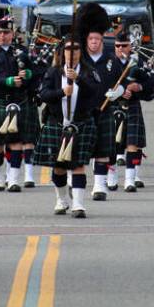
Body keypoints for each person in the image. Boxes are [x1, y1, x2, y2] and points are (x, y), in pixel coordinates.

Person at [35, 35, 102, 216]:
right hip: (57, 123)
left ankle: (78, 205)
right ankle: (61, 199)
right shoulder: (53, 72)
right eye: (68, 50)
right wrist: (61, 92)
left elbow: (96, 92)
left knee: (78, 165)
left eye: (75, 50)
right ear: (63, 52)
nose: (71, 54)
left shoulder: (88, 71)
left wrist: (78, 79)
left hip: (80, 123)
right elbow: (43, 95)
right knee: (58, 166)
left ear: (81, 52)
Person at [0, 18, 39, 191]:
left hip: (18, 101)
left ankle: (14, 179)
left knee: (17, 142)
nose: (2, 36)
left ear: (12, 34)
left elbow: (37, 72)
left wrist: (28, 74)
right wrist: (8, 80)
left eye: (6, 33)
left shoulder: (23, 52)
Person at [73, 3, 118, 199]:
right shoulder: (78, 60)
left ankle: (100, 186)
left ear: (102, 40)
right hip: (82, 111)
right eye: (90, 38)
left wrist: (118, 92)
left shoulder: (110, 59)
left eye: (97, 39)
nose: (94, 42)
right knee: (78, 150)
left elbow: (122, 81)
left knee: (102, 149)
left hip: (104, 109)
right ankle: (72, 181)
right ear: (86, 40)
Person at [108, 31, 154, 192]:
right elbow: (102, 83)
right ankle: (111, 178)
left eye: (124, 45)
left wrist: (140, 87)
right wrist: (122, 90)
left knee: (132, 144)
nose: (121, 48)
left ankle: (130, 179)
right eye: (118, 46)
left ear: (130, 46)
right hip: (113, 106)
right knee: (111, 145)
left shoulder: (138, 62)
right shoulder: (108, 62)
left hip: (132, 106)